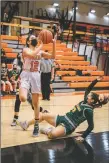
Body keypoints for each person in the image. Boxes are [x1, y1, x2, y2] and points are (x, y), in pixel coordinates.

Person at [18, 76, 109, 141]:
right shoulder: (86, 100)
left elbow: (91, 126)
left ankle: (48, 130)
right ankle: (26, 124)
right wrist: (96, 80)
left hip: (69, 126)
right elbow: (88, 89)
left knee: (52, 135)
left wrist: (83, 136)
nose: (88, 95)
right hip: (64, 118)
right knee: (43, 115)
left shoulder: (89, 111)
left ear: (92, 101)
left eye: (90, 96)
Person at [19, 34, 56, 137]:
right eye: (31, 38)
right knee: (22, 98)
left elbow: (53, 56)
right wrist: (41, 45)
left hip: (35, 76)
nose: (34, 39)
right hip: (26, 74)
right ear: (28, 42)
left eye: (34, 37)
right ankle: (27, 95)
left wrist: (54, 43)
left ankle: (36, 125)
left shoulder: (40, 51)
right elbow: (32, 55)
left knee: (36, 104)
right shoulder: (25, 49)